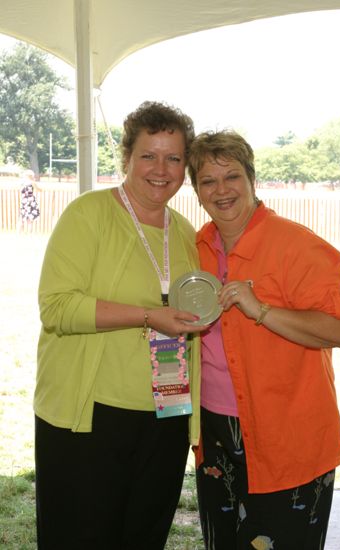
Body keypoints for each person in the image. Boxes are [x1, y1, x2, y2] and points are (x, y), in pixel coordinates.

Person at [34, 101, 208, 550]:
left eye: (173, 158)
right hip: (90, 420)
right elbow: (57, 308)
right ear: (127, 157)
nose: (161, 169)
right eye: (148, 155)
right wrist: (148, 315)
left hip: (166, 417)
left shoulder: (186, 232)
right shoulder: (88, 214)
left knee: (143, 539)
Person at [187, 130, 340, 550]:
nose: (221, 190)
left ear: (252, 179)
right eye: (208, 181)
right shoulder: (197, 249)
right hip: (215, 431)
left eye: (233, 177)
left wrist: (261, 309)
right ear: (196, 189)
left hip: (288, 438)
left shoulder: (298, 247)